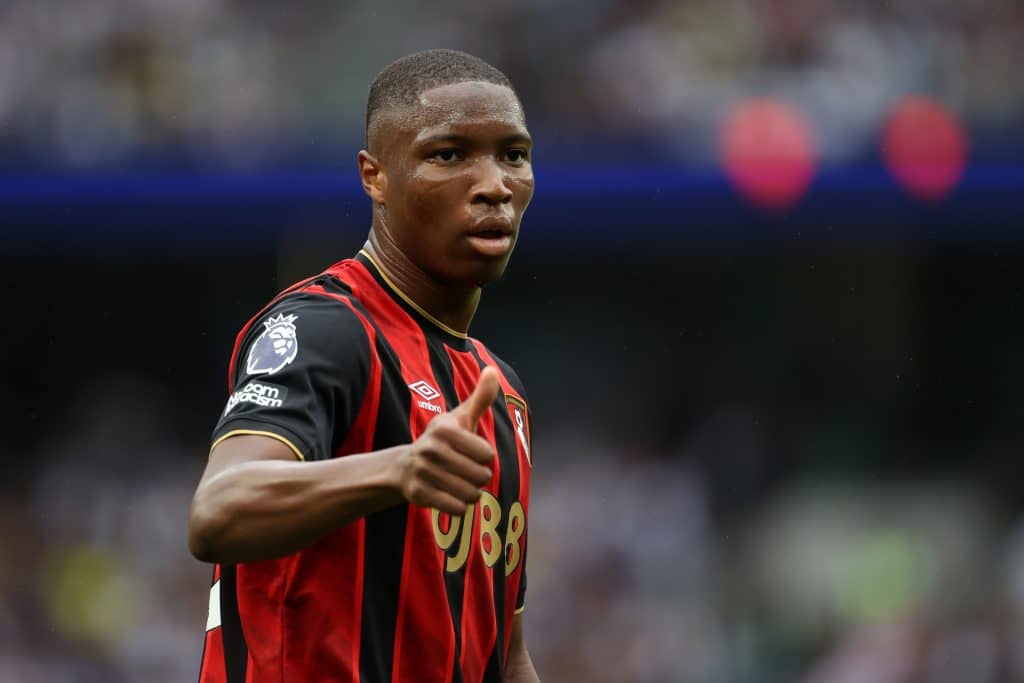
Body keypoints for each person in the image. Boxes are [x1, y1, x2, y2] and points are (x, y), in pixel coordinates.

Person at [188, 49, 539, 682]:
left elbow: (506, 658)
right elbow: (220, 510)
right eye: (449, 155)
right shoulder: (327, 329)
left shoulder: (501, 394)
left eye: (513, 154)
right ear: (374, 176)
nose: (494, 184)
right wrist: (399, 468)